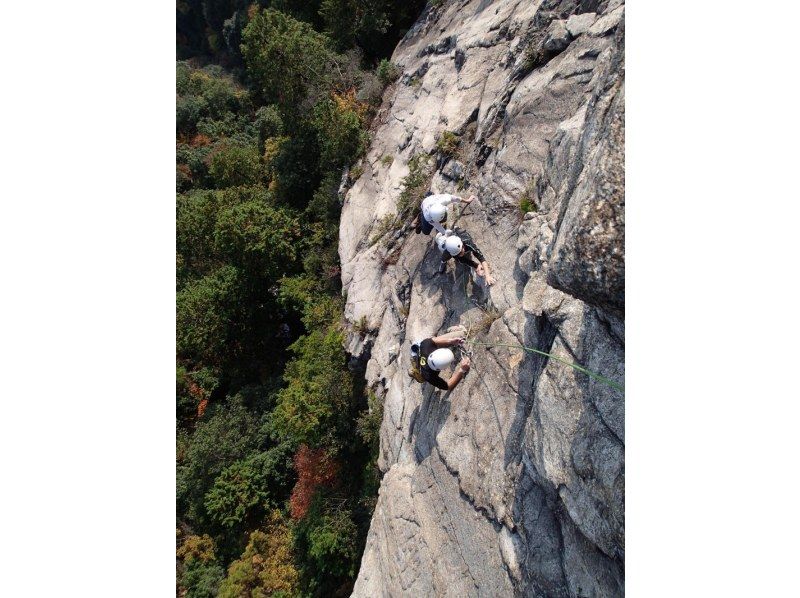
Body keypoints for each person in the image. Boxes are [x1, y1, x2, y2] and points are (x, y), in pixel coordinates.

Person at [408, 325, 471, 391]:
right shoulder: (429, 376)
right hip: (423, 368)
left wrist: (451, 341)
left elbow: (434, 340)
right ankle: (416, 369)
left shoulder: (426, 345)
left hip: (422, 351)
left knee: (462, 334)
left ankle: (416, 363)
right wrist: (462, 370)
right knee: (422, 377)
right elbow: (448, 386)